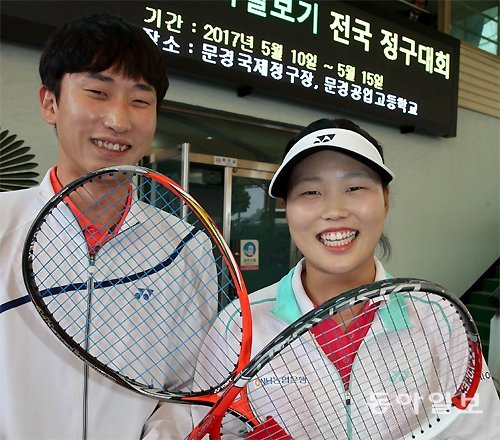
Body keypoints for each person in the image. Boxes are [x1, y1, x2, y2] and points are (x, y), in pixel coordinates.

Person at [190, 118, 500, 438]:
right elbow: (210, 428)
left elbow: (481, 430)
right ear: (286, 209)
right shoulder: (239, 327)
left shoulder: (442, 320)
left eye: (354, 188)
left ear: (385, 200)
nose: (334, 210)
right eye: (311, 191)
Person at [0, 13, 212, 439]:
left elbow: (193, 387)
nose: (119, 120)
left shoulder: (186, 246)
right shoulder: (3, 225)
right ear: (50, 103)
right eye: (97, 92)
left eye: (140, 100)